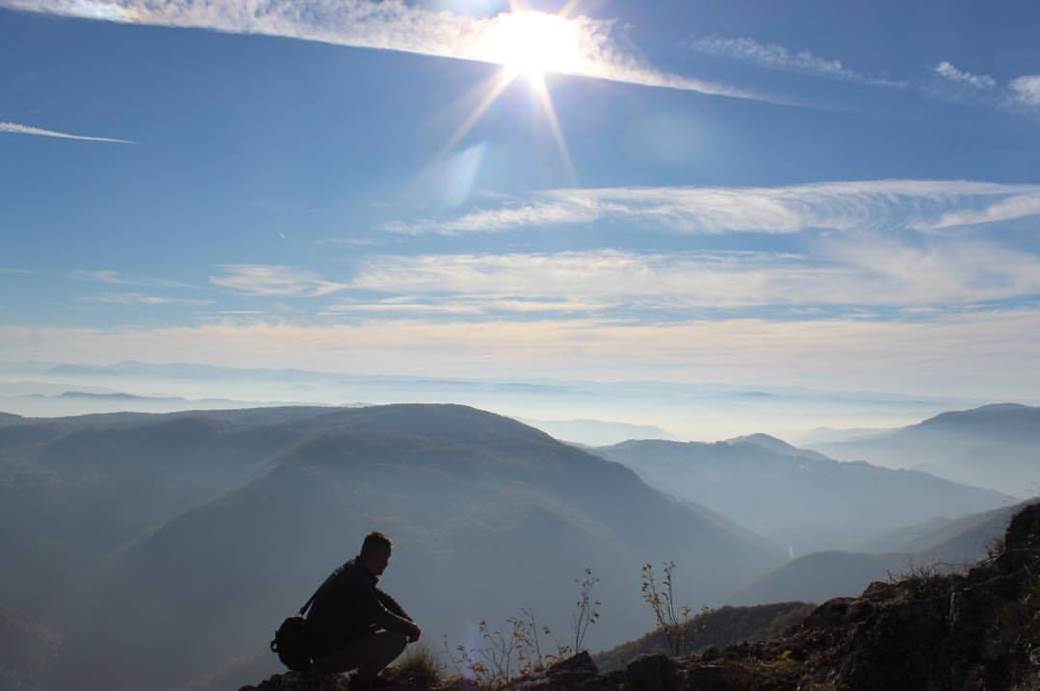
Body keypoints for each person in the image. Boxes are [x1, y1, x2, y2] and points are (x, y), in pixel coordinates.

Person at [305, 531, 422, 688]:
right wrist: (410, 628)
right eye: (385, 558)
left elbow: (381, 598)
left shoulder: (353, 571)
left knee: (392, 628)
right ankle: (361, 683)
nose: (386, 564)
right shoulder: (356, 581)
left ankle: (364, 678)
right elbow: (381, 615)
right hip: (329, 656)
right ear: (375, 556)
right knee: (397, 638)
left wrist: (407, 620)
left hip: (327, 647)